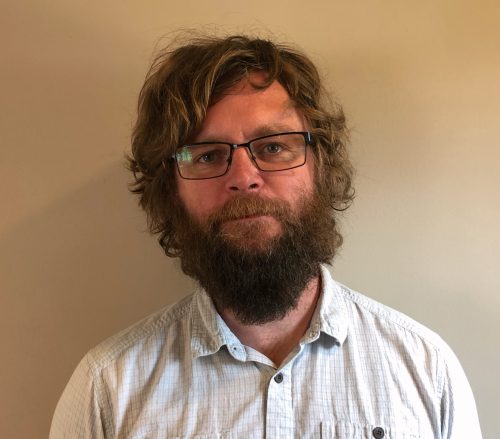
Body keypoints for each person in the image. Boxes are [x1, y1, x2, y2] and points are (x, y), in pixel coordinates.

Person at [50, 34, 482, 439]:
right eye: (206, 155)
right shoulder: (107, 388)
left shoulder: (426, 369)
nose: (244, 178)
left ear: (321, 167)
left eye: (273, 147)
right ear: (170, 192)